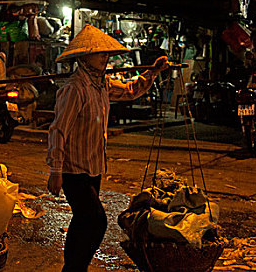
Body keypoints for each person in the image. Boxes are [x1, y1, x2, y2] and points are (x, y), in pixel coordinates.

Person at [46, 24, 170, 272]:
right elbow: (58, 130)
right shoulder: (75, 88)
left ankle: (73, 268)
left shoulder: (102, 84)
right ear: (84, 57)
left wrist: (152, 72)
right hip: (73, 169)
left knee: (82, 221)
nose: (106, 57)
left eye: (106, 53)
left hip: (93, 166)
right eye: (100, 53)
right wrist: (56, 170)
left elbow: (131, 91)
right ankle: (74, 268)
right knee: (96, 220)